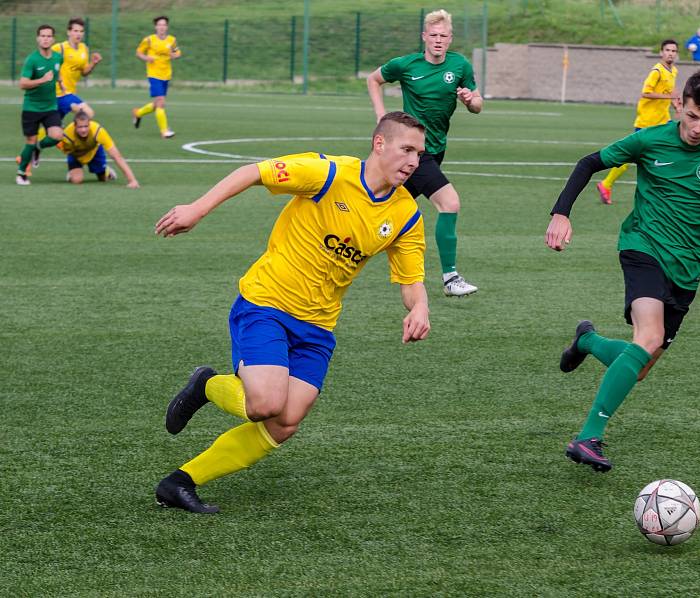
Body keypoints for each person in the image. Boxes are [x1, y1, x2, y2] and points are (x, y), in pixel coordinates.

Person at [153, 111, 431, 513]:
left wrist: (419, 306)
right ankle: (208, 385)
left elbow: (411, 279)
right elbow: (254, 171)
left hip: (318, 326)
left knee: (285, 422)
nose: (413, 161)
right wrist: (197, 208)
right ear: (380, 144)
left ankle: (179, 483)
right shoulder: (328, 174)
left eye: (419, 154)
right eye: (406, 149)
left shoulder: (405, 215)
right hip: (267, 304)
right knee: (264, 403)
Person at [545, 69, 700, 473]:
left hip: (688, 268)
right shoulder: (650, 139)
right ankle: (587, 436)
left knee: (641, 365)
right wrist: (561, 212)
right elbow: (589, 162)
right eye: (693, 116)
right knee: (649, 336)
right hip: (642, 247)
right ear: (679, 105)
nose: (698, 128)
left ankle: (588, 340)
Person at [367, 9, 482, 297]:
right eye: (433, 35)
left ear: (450, 38)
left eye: (444, 36)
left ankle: (343, 246)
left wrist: (470, 100)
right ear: (424, 37)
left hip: (437, 149)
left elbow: (478, 103)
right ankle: (451, 278)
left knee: (382, 205)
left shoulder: (460, 65)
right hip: (416, 151)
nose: (438, 40)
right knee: (449, 203)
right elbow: (373, 79)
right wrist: (382, 117)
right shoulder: (406, 65)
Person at [597, 40, 681, 205]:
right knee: (631, 156)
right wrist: (669, 97)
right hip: (647, 121)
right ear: (661, 52)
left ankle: (667, 191)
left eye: (673, 50)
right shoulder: (656, 71)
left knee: (672, 151)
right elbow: (646, 93)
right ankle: (606, 184)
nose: (671, 53)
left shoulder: (674, 71)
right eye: (667, 50)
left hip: (663, 120)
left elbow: (668, 92)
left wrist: (676, 105)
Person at [15, 24, 64, 186]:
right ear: (38, 38)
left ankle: (39, 147)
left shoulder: (58, 57)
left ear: (53, 39)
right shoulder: (32, 59)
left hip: (50, 107)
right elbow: (22, 84)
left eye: (49, 36)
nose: (46, 39)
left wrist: (61, 82)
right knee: (30, 140)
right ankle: (21, 173)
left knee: (57, 135)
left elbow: (57, 72)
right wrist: (42, 80)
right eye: (43, 36)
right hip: (32, 107)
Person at [58, 111, 139, 188]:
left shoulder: (98, 131)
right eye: (80, 127)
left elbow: (117, 156)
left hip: (94, 152)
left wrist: (132, 180)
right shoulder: (67, 134)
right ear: (74, 126)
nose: (83, 130)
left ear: (89, 124)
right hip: (76, 156)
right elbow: (57, 142)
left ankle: (106, 170)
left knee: (103, 178)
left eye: (86, 126)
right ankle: (72, 174)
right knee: (76, 180)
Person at [132, 15, 181, 139]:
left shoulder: (172, 40)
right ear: (155, 27)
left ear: (167, 27)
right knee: (161, 102)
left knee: (157, 103)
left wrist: (174, 55)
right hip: (154, 75)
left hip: (166, 75)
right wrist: (146, 58)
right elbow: (138, 52)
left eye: (164, 25)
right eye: (159, 25)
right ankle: (164, 131)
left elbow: (177, 52)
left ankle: (138, 113)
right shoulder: (149, 40)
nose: (162, 27)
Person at [52, 17, 102, 119]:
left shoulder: (84, 48)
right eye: (75, 31)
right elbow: (47, 65)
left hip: (70, 92)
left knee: (53, 129)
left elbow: (84, 72)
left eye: (81, 31)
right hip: (59, 93)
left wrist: (93, 63)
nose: (78, 34)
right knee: (87, 114)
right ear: (68, 32)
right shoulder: (59, 48)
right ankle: (76, 132)